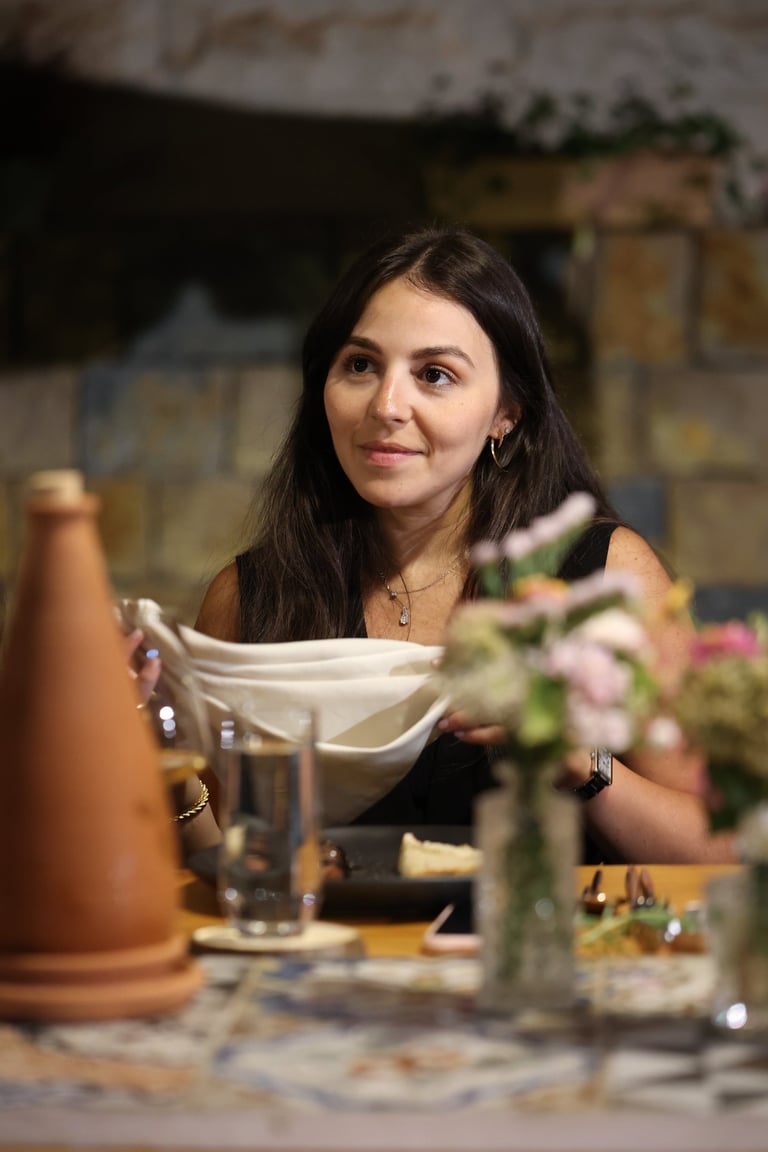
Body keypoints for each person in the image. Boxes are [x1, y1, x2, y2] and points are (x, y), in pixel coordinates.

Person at [193, 224, 735, 865]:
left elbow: (721, 845)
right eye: (361, 365)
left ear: (507, 412)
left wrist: (581, 763)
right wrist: (159, 756)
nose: (387, 405)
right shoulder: (252, 597)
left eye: (435, 374)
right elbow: (222, 861)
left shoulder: (604, 580)